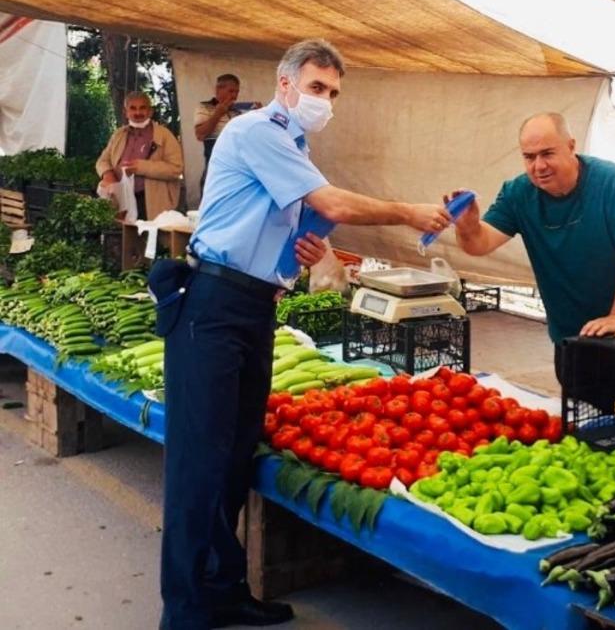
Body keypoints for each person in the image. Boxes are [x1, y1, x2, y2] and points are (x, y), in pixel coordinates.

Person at [154, 39, 451, 630]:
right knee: (199, 463)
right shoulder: (256, 131)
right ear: (285, 84)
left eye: (334, 92)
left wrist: (300, 253)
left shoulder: (295, 147)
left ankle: (224, 589)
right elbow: (331, 201)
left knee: (235, 455)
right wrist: (407, 212)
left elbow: (288, 221)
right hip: (212, 306)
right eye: (317, 88)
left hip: (253, 308)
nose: (325, 101)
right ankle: (184, 610)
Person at [451, 112, 615, 354]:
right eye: (529, 157)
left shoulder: (611, 182)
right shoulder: (517, 193)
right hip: (572, 335)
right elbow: (479, 244)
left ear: (571, 146)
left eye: (547, 154)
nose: (539, 166)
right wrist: (467, 226)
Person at [96, 90, 184, 221]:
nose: (138, 112)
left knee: (150, 234)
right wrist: (108, 174)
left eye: (142, 108)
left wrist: (141, 167)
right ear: (125, 112)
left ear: (150, 111)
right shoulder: (119, 134)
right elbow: (103, 160)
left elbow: (176, 169)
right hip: (121, 200)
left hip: (152, 202)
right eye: (133, 108)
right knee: (124, 233)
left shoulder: (164, 135)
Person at [193, 73, 255, 194]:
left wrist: (258, 115)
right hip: (215, 167)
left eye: (237, 92)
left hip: (237, 169)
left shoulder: (237, 112)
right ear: (218, 90)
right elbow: (200, 134)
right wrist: (218, 114)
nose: (234, 96)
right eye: (231, 91)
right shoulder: (204, 107)